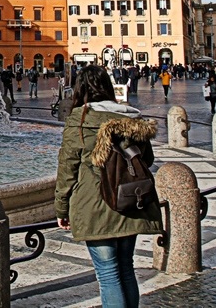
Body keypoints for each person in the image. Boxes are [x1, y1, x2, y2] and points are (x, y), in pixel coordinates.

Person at [55, 66, 163, 308]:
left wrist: (62, 208)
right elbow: (147, 160)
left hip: (95, 205)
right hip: (130, 201)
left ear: (80, 88)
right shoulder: (131, 117)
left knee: (108, 274)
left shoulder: (80, 120)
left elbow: (67, 169)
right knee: (126, 268)